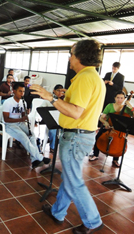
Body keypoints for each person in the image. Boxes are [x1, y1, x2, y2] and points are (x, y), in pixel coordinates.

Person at [33, 39, 105, 234]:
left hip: (75, 137)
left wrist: (52, 98)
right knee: (69, 176)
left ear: (80, 56)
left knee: (74, 181)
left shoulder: (85, 78)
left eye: (71, 54)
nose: (69, 58)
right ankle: (58, 211)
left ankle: (92, 221)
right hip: (81, 136)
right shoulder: (93, 77)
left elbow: (75, 112)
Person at [2, 83, 51, 168]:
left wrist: (25, 115)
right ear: (14, 91)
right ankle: (40, 157)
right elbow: (6, 119)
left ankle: (34, 160)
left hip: (19, 123)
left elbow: (22, 115)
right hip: (10, 125)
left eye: (23, 91)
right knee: (24, 137)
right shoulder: (8, 102)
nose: (22, 93)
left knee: (32, 135)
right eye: (20, 91)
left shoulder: (22, 101)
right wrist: (21, 119)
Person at [89, 91, 134, 166]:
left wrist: (131, 107)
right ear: (114, 98)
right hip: (108, 127)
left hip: (120, 130)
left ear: (124, 98)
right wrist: (106, 123)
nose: (119, 100)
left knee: (119, 143)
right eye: (117, 98)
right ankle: (95, 154)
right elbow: (101, 118)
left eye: (121, 98)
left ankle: (115, 160)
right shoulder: (109, 106)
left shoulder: (127, 109)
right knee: (98, 137)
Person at [41, 84, 65, 153]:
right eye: (58, 91)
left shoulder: (64, 101)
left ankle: (56, 142)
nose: (60, 93)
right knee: (53, 132)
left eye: (62, 91)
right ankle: (53, 147)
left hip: (62, 122)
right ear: (54, 91)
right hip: (52, 122)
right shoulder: (49, 100)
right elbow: (41, 109)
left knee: (66, 133)